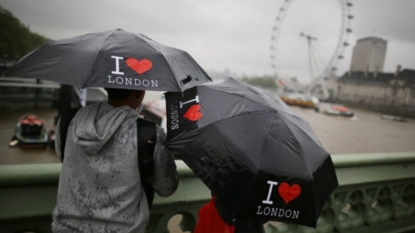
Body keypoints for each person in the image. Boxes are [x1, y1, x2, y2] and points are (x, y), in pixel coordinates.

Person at [51, 88, 179, 233]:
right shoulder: (150, 134)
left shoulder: (69, 120)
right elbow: (167, 188)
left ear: (107, 88)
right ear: (140, 93)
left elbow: (63, 156)